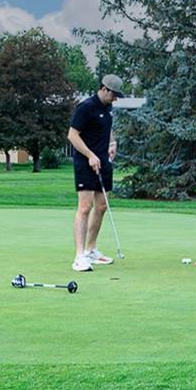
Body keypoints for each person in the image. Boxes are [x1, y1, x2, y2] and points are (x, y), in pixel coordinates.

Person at [67, 74, 124, 272]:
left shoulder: (107, 108)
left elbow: (107, 129)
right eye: (114, 94)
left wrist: (112, 143)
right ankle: (79, 256)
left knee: (101, 206)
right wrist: (90, 155)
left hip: (103, 162)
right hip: (85, 163)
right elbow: (72, 135)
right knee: (84, 207)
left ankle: (91, 250)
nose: (115, 99)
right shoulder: (86, 107)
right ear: (104, 89)